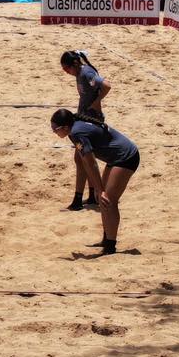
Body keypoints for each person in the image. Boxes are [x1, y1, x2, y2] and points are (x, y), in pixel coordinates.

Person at [50, 108, 139, 254]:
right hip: (115, 157)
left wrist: (100, 189)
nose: (54, 131)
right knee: (101, 198)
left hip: (126, 157)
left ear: (65, 127)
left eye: (55, 129)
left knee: (108, 200)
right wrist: (99, 190)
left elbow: (91, 163)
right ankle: (107, 239)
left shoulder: (77, 132)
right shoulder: (73, 130)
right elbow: (86, 162)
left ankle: (110, 246)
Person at [60, 50, 110, 210]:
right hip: (84, 118)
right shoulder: (79, 73)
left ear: (74, 64)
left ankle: (80, 198)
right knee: (81, 160)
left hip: (91, 121)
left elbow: (107, 86)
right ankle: (88, 196)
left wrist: (96, 102)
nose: (66, 72)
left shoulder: (86, 73)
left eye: (66, 69)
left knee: (83, 160)